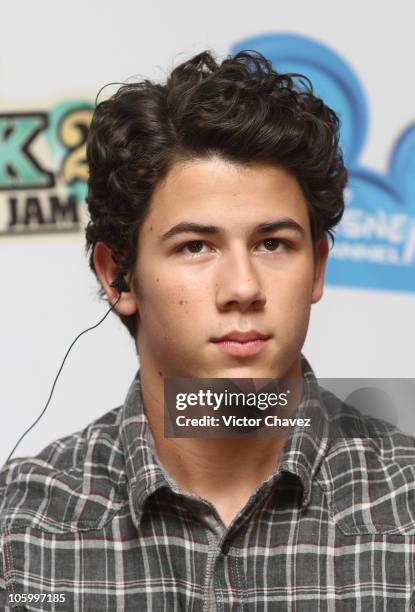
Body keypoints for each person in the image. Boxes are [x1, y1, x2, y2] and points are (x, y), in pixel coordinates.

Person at [1, 49, 414, 611]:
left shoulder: (407, 507)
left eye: (274, 244)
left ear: (316, 266)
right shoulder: (19, 529)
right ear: (117, 275)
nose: (243, 287)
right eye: (196, 246)